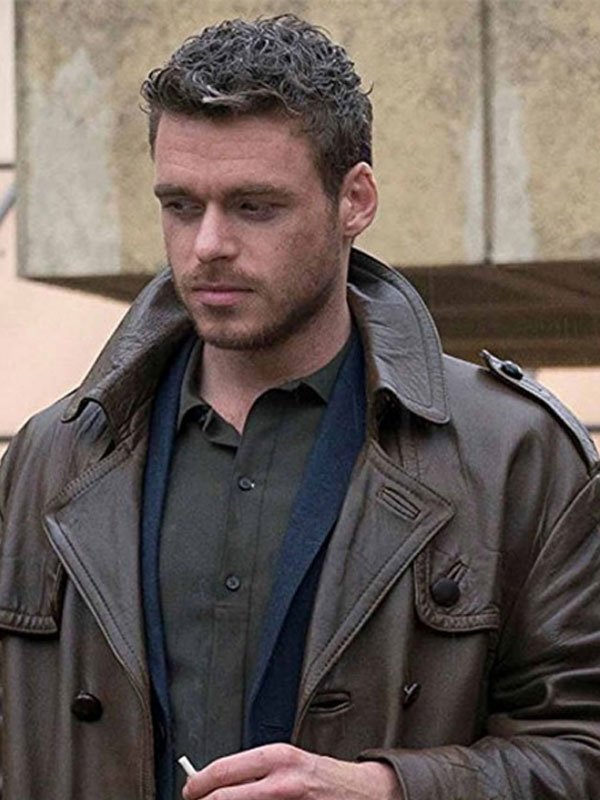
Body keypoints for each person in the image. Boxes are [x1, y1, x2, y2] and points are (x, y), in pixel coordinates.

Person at [1, 14, 600, 800]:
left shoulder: (513, 453)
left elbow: (582, 748)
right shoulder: (52, 458)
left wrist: (386, 790)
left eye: (254, 206)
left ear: (355, 200)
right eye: (180, 206)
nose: (208, 245)